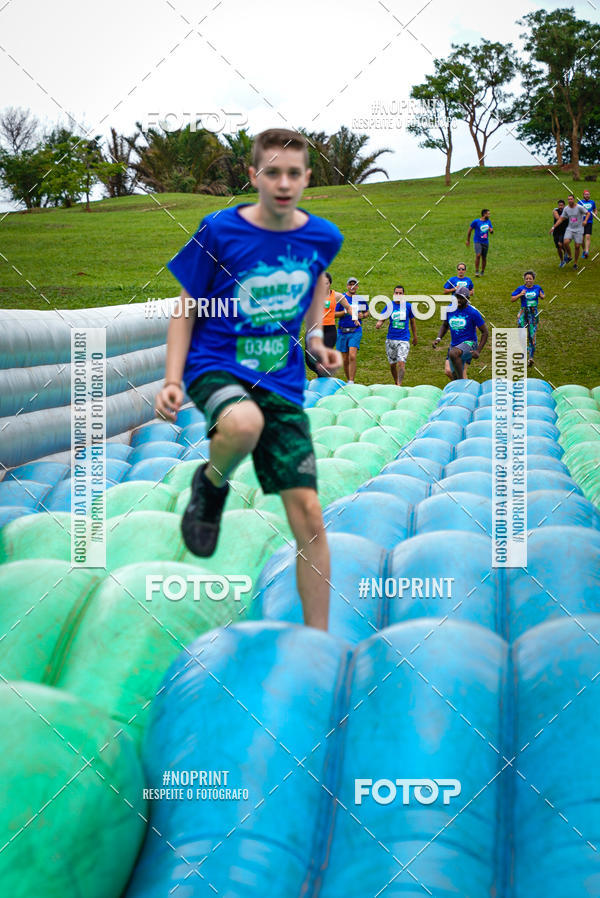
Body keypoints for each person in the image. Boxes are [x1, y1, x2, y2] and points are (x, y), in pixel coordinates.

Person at [154, 128, 344, 631]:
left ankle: (317, 643)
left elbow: (315, 287)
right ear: (253, 174)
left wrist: (318, 338)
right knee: (242, 425)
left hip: (280, 381)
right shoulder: (217, 230)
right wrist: (172, 378)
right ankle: (210, 484)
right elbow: (185, 307)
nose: (284, 182)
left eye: (294, 173)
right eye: (272, 171)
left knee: (309, 516)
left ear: (307, 177)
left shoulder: (321, 237)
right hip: (216, 364)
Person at [432, 285, 488, 380]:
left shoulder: (473, 312)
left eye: (461, 298)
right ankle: (462, 387)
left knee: (457, 361)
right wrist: (438, 338)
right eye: (457, 297)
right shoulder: (450, 309)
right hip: (455, 345)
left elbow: (485, 332)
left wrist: (478, 351)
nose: (458, 300)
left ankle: (461, 383)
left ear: (467, 299)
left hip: (469, 343)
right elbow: (445, 325)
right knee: (449, 371)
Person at [304, 272, 349, 376]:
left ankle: (323, 377)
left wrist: (355, 317)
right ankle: (321, 373)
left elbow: (348, 307)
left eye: (326, 283)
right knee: (309, 358)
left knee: (323, 356)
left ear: (330, 284)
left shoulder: (336, 295)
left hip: (329, 330)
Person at [375, 285, 417, 385]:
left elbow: (413, 322)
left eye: (400, 293)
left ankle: (399, 384)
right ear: (394, 294)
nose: (398, 295)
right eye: (396, 293)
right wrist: (379, 323)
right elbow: (382, 318)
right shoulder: (389, 306)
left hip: (403, 339)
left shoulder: (408, 306)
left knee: (401, 363)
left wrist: (415, 336)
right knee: (392, 365)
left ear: (403, 294)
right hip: (391, 339)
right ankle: (396, 383)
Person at [335, 276, 368, 383]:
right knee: (345, 359)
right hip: (342, 331)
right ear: (347, 286)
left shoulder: (360, 299)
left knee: (352, 356)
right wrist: (345, 311)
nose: (352, 286)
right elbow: (334, 314)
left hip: (355, 331)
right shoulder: (341, 298)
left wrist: (361, 316)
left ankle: (351, 381)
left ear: (357, 287)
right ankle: (348, 379)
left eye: (354, 284)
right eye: (350, 284)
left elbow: (367, 312)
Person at [510, 270, 544, 368]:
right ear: (524, 280)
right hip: (523, 313)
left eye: (530, 278)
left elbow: (543, 295)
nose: (528, 280)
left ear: (533, 280)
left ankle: (531, 358)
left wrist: (542, 296)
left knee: (532, 335)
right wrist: (520, 294)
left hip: (533, 314)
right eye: (526, 279)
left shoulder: (537, 288)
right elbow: (512, 299)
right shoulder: (521, 288)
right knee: (521, 334)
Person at [551, 194, 590, 270]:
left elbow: (588, 213)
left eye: (571, 199)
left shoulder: (579, 207)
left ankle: (575, 263)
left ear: (574, 200)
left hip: (578, 229)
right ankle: (569, 256)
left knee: (577, 246)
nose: (570, 200)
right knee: (565, 243)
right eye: (568, 199)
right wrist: (554, 227)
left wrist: (585, 221)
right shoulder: (566, 209)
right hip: (570, 228)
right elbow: (561, 219)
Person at [466, 209, 493, 276]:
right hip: (477, 241)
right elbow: (469, 231)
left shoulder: (488, 221)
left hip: (485, 241)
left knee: (484, 257)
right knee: (478, 255)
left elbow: (491, 231)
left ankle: (482, 271)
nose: (489, 215)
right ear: (484, 214)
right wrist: (468, 240)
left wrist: (490, 230)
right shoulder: (476, 222)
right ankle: (477, 271)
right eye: (488, 214)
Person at [578, 189, 596, 259]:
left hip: (589, 222)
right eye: (586, 194)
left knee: (587, 236)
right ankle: (584, 250)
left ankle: (587, 252)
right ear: (583, 195)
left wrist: (595, 214)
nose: (587, 195)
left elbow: (595, 209)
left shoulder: (592, 202)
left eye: (588, 194)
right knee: (581, 239)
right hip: (581, 223)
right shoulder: (580, 202)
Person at [552, 199, 568, 266]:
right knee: (558, 248)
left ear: (564, 205)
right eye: (559, 205)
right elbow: (558, 218)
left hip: (564, 231)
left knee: (560, 244)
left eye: (562, 205)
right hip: (556, 232)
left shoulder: (567, 211)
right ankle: (562, 261)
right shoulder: (556, 211)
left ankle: (566, 252)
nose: (560, 206)